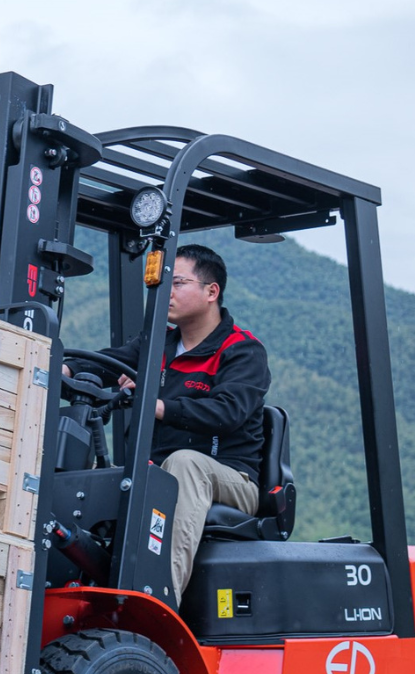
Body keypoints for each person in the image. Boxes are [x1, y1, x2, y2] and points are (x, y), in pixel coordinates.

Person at [64, 244, 270, 606]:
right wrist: (60, 369)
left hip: (229, 476)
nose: (166, 293)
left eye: (177, 283)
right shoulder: (158, 343)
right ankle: (78, 594)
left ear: (211, 292)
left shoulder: (242, 350)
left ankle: (159, 602)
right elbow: (105, 363)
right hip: (158, 472)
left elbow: (228, 412)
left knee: (184, 463)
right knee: (89, 479)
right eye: (163, 284)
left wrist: (155, 404)